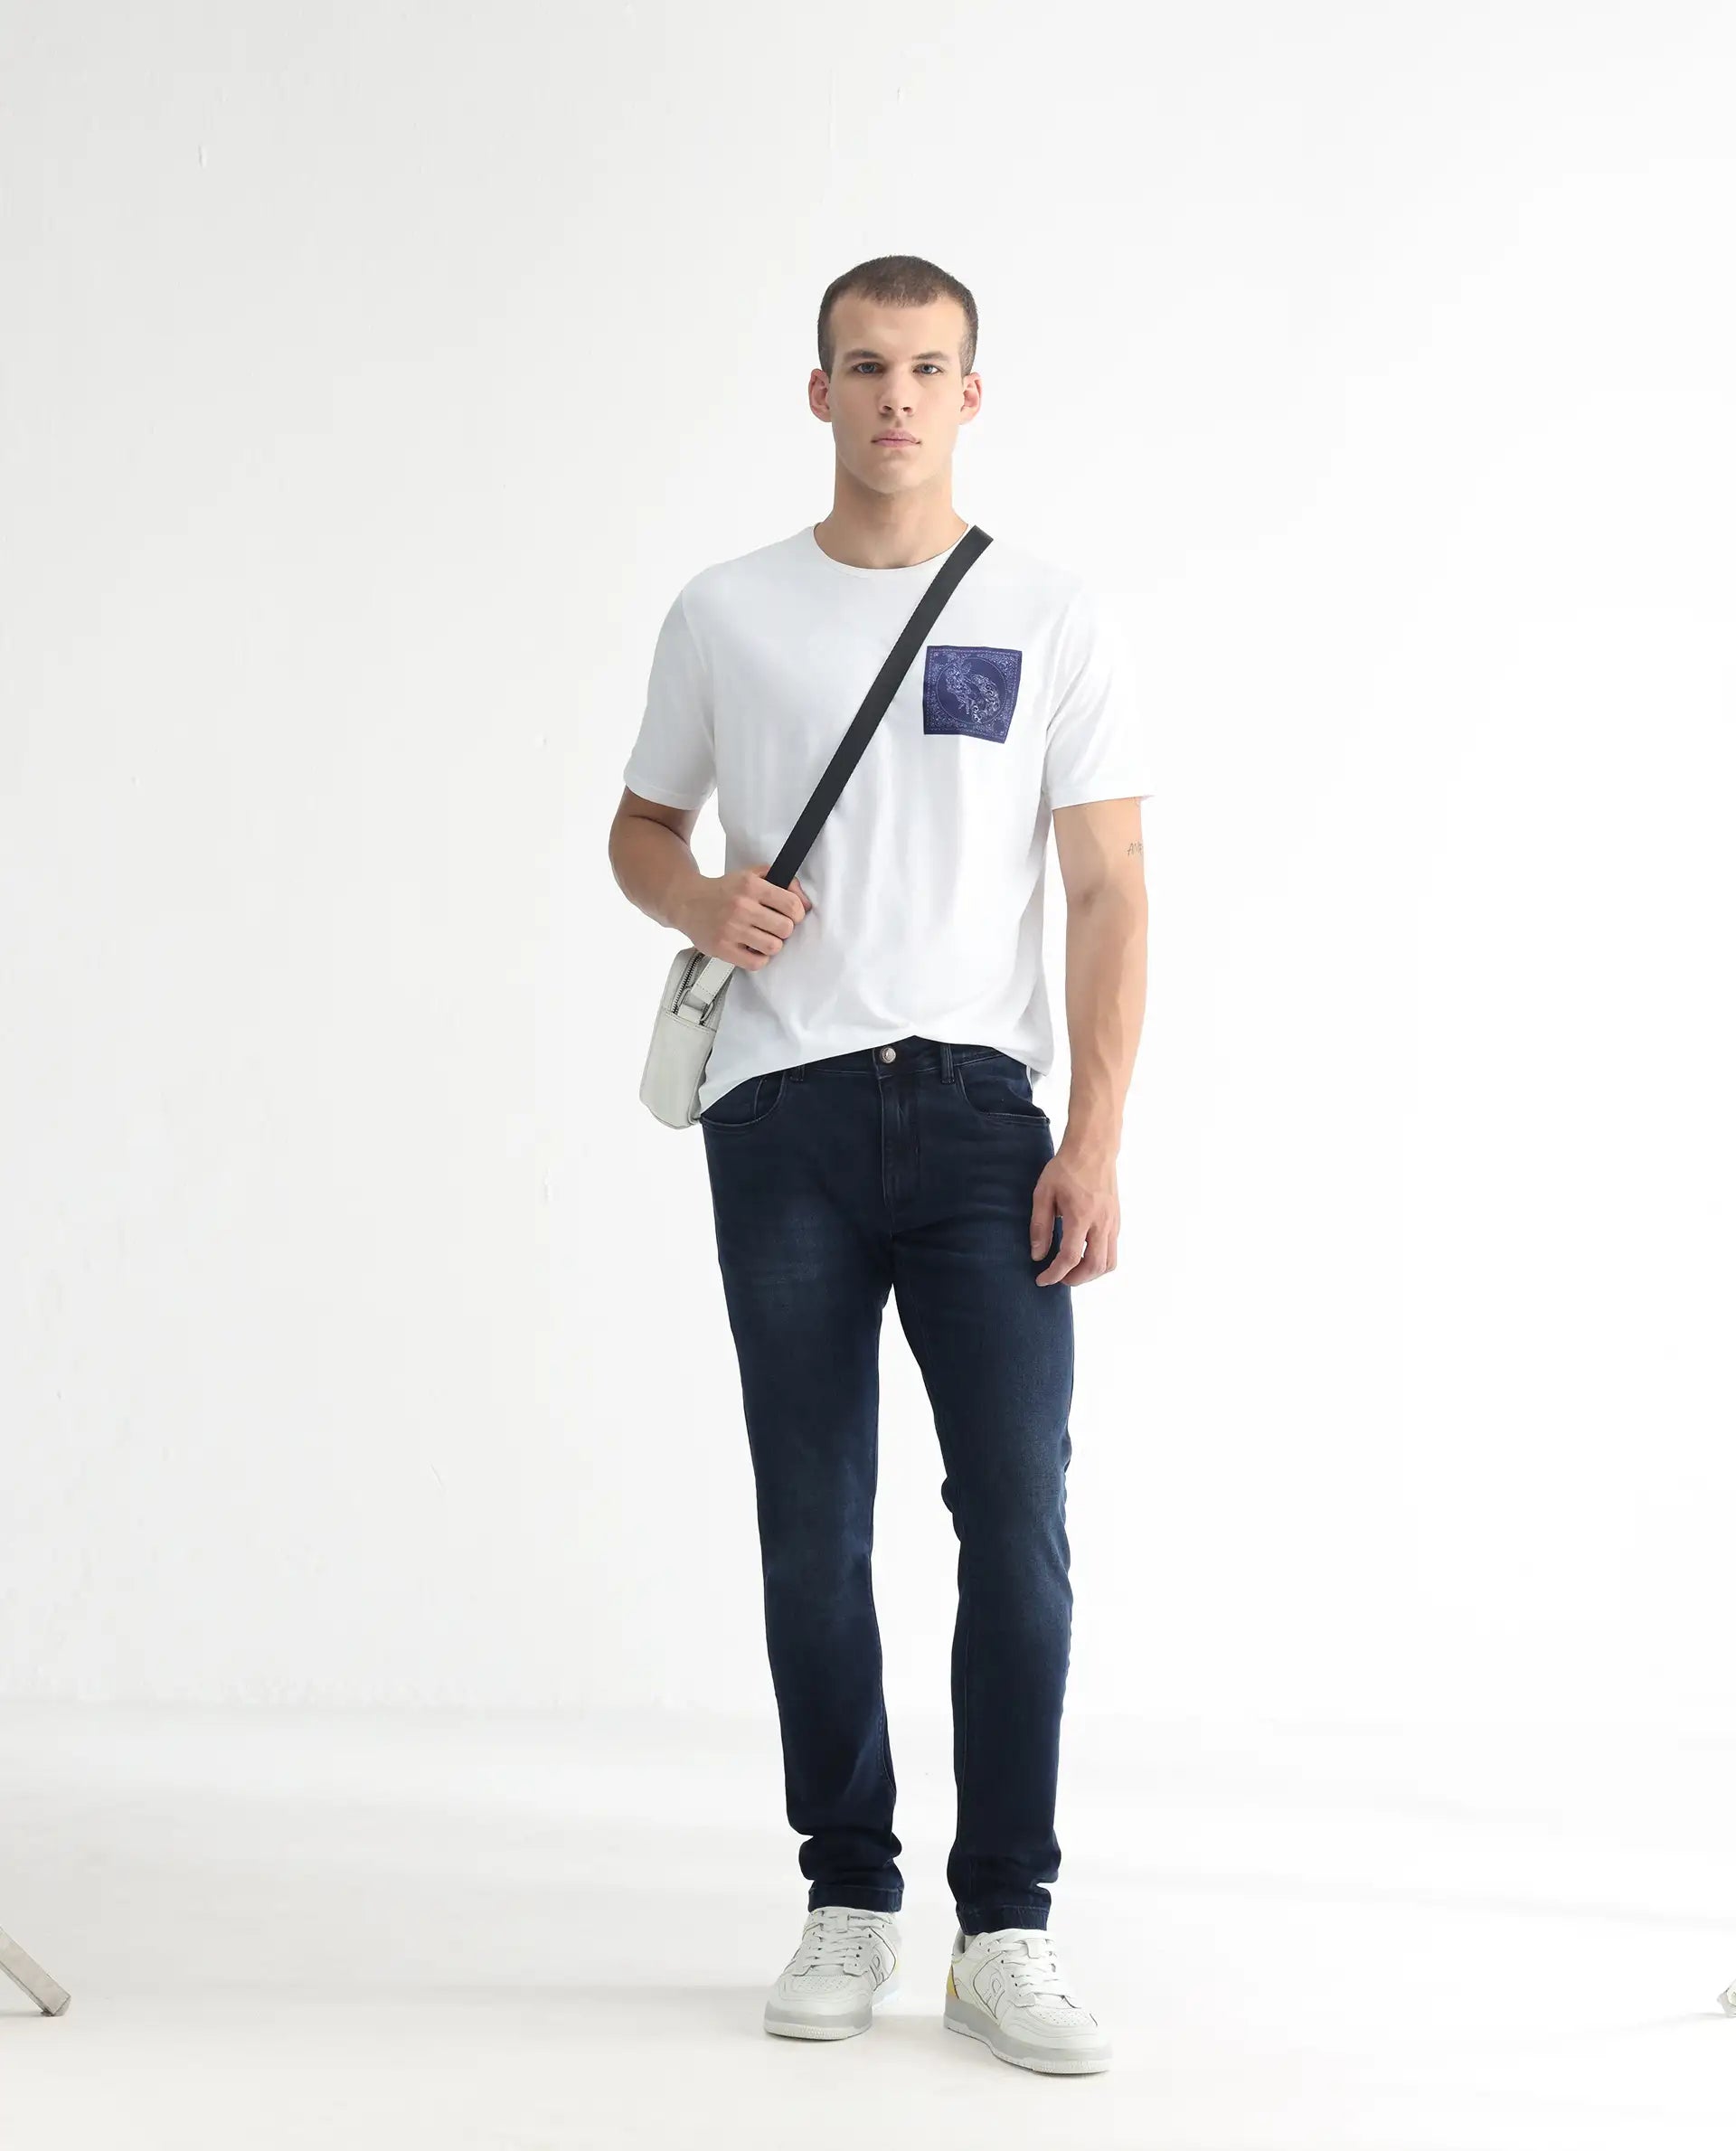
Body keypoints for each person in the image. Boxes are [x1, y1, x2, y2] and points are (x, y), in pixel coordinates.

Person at [609, 254, 1152, 2077]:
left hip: (987, 1119)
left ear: (971, 393)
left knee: (1018, 1517)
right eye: (865, 367)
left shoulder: (1051, 613)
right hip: (784, 1115)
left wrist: (1095, 1131)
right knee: (812, 1517)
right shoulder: (728, 610)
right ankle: (848, 1889)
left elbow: (1109, 885)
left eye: (927, 369)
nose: (896, 398)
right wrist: (700, 897)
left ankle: (1006, 1927)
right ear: (818, 390)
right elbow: (639, 826)